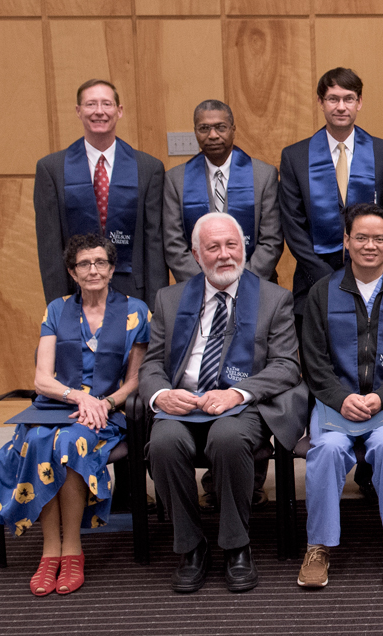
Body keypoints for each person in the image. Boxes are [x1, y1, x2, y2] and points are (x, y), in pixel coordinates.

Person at [139, 213, 303, 593]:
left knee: (227, 438)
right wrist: (163, 394)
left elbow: (285, 366)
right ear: (197, 254)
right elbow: (151, 364)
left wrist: (236, 393)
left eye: (232, 245)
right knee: (163, 443)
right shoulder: (170, 298)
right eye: (213, 247)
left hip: (241, 406)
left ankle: (236, 545)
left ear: (243, 248)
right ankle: (191, 547)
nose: (225, 254)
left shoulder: (273, 298)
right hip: (183, 403)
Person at [0, 234, 149, 596]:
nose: (93, 270)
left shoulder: (136, 311)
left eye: (100, 263)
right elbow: (41, 378)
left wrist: (104, 404)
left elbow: (136, 380)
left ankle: (72, 550)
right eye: (84, 264)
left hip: (106, 415)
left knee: (69, 442)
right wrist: (80, 397)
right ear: (72, 272)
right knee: (36, 440)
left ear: (112, 270)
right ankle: (50, 554)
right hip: (56, 406)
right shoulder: (57, 309)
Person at [298, 204, 383, 588]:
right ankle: (318, 547)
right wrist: (341, 397)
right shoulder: (322, 293)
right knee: (327, 450)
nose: (369, 245)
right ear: (346, 241)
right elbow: (315, 361)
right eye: (361, 237)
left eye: (378, 239)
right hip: (334, 403)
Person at [278, 67, 383, 334]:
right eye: (333, 99)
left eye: (348, 98)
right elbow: (292, 224)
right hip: (313, 282)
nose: (341, 107)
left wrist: (367, 270)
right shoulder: (295, 156)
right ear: (321, 102)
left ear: (359, 102)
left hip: (372, 281)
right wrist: (327, 279)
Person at [34, 79, 167, 308]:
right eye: (90, 104)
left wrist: (155, 308)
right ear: (78, 111)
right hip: (74, 293)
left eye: (106, 104)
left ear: (119, 110)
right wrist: (58, 305)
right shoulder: (52, 169)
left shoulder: (148, 168)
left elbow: (154, 244)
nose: (99, 112)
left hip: (133, 294)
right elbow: (49, 247)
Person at [163, 99, 283, 283]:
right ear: (195, 131)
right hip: (196, 288)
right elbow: (174, 245)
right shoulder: (175, 179)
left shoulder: (264, 175)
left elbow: (271, 240)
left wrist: (242, 283)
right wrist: (206, 286)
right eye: (204, 128)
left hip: (255, 284)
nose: (212, 135)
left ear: (233, 130)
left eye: (221, 127)